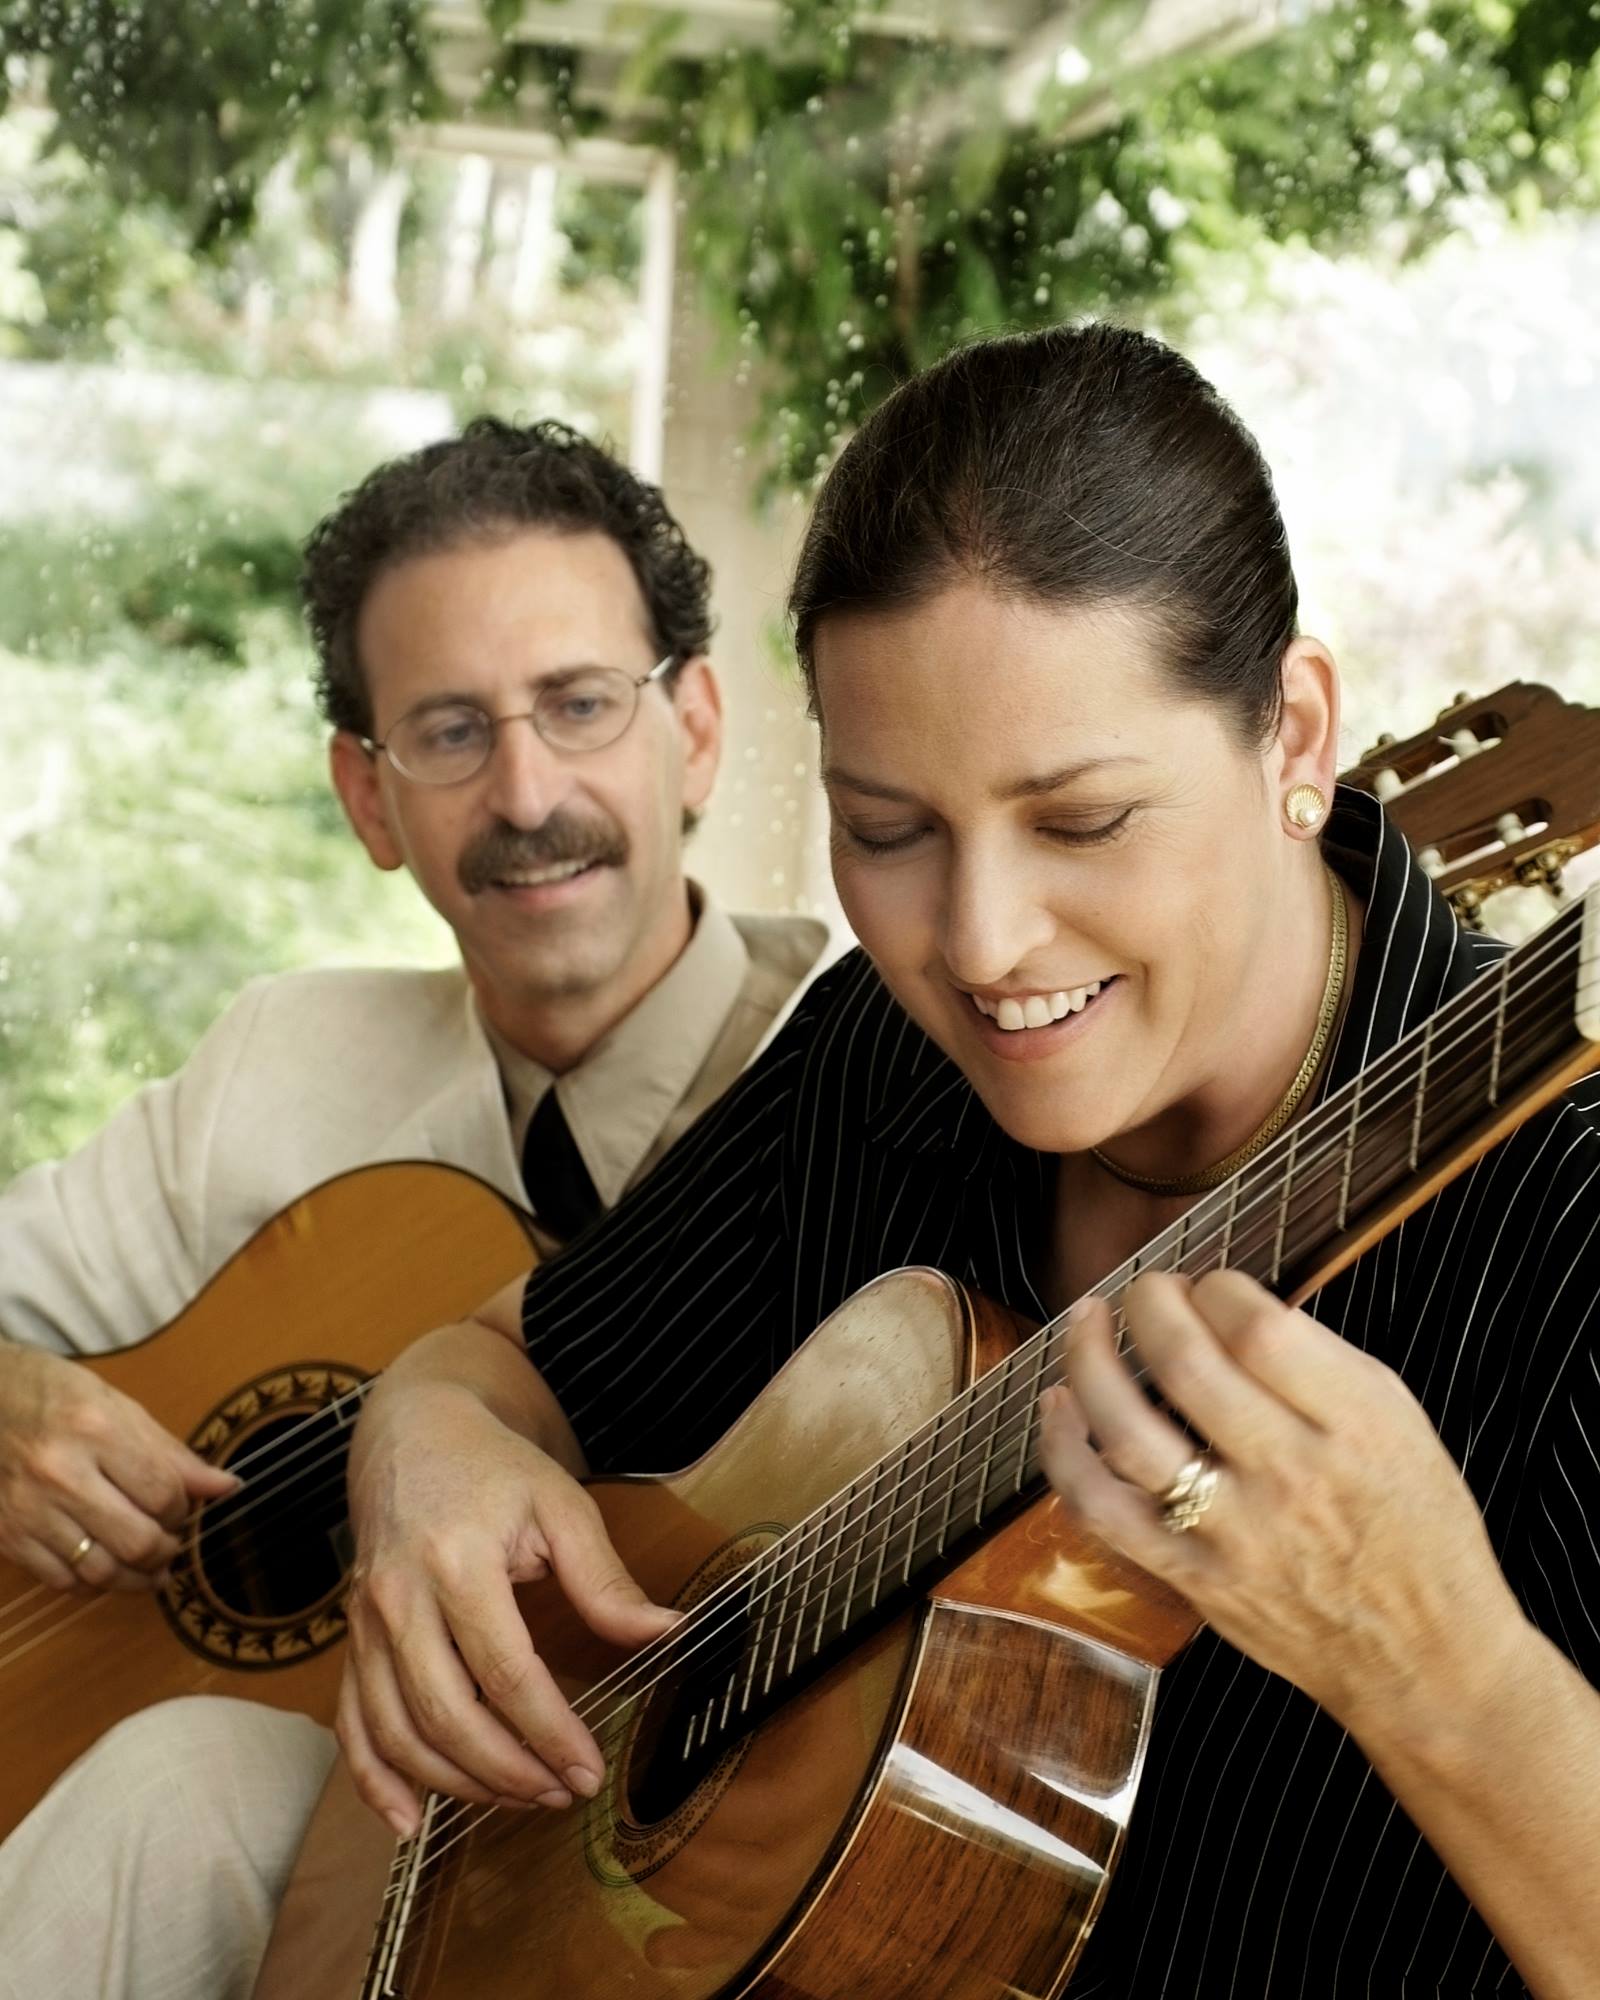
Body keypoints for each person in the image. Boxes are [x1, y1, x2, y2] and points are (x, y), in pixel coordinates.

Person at [336, 327, 1600, 1995]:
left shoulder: (1570, 1229)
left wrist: (1445, 1673)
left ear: (1295, 737)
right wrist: (420, 1450)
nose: (984, 943)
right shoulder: (882, 1055)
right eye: (888, 832)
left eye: (1082, 821)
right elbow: (507, 1362)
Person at [0, 417, 829, 2000]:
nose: (526, 792)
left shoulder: (867, 1090)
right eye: (450, 732)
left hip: (662, 1866)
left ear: (699, 730)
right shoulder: (281, 1061)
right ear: (368, 799)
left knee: (180, 1789)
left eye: (581, 704)